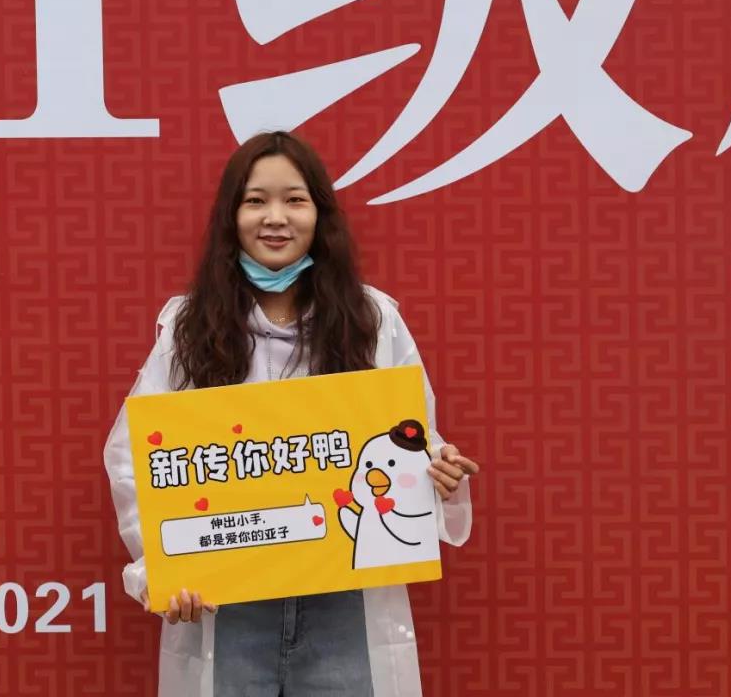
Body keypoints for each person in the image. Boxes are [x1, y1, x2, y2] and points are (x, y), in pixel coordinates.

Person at [104, 130, 479, 697]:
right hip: (230, 599)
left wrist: (437, 473)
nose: (275, 218)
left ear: (319, 214)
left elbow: (412, 437)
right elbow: (135, 454)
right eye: (255, 200)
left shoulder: (371, 319)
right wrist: (161, 567)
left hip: (344, 597)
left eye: (294, 200)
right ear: (231, 217)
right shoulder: (190, 327)